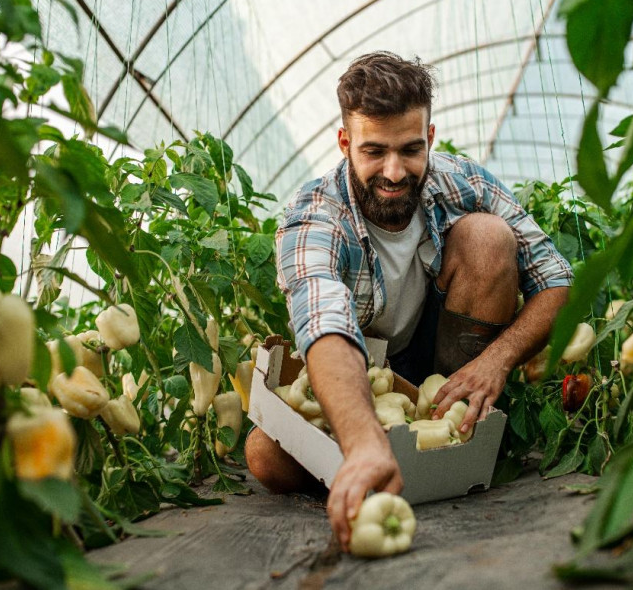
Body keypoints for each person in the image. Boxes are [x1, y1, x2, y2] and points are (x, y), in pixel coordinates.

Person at [245, 51, 573, 550]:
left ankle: (458, 426)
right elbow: (323, 321)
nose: (395, 172)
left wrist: (497, 361)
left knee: (488, 239)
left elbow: (557, 279)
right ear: (345, 143)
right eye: (374, 151)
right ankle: (389, 462)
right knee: (265, 456)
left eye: (410, 150)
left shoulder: (461, 182)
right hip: (364, 378)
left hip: (444, 362)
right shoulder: (314, 215)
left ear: (431, 139)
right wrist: (361, 440)